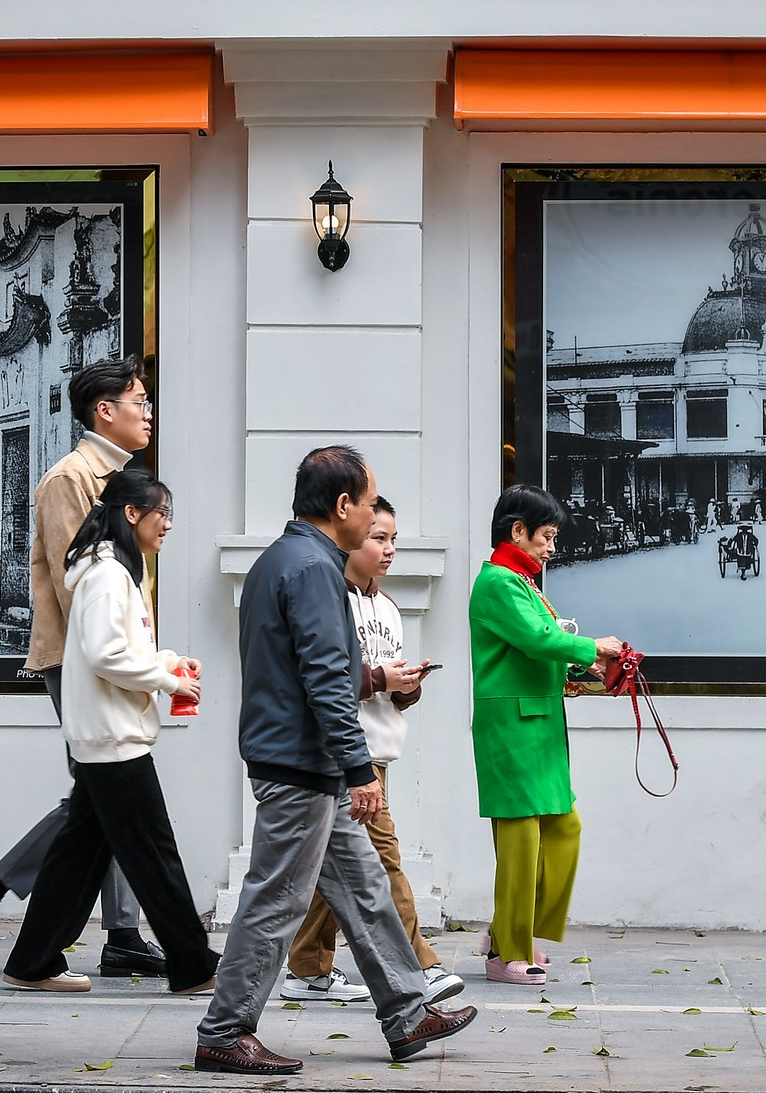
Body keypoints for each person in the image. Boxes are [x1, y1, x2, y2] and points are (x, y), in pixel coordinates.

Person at [194, 447, 477, 1076]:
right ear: (343, 506)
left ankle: (408, 1012)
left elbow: (325, 672)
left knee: (365, 887)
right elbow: (324, 679)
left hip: (301, 758)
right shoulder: (314, 569)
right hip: (302, 764)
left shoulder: (285, 560)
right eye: (372, 503)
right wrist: (358, 769)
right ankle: (225, 1031)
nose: (376, 514)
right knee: (275, 902)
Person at [0, 356, 166, 982]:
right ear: (105, 411)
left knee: (106, 797)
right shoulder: (70, 479)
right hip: (82, 658)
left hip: (111, 658)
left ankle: (119, 931)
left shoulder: (123, 476)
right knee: (106, 794)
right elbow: (85, 585)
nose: (148, 412)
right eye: (139, 401)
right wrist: (129, 662)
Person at [0, 468, 220, 995]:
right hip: (113, 737)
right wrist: (167, 681)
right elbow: (103, 654)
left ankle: (33, 960)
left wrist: (167, 660)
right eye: (162, 513)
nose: (167, 524)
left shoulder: (117, 570)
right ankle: (193, 964)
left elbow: (117, 648)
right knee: (153, 853)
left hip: (107, 733)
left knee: (78, 857)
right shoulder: (107, 575)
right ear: (131, 514)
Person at [278, 497, 460, 1006]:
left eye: (394, 540)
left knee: (335, 866)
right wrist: (379, 678)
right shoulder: (326, 595)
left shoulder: (386, 606)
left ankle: (306, 968)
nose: (389, 549)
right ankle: (421, 964)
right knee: (383, 859)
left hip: (377, 749)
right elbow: (320, 677)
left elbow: (389, 686)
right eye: (379, 537)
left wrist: (406, 685)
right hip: (344, 751)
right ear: (351, 533)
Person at [468, 484, 622, 986]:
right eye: (547, 537)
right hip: (512, 726)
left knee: (562, 828)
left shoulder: (521, 582)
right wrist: (591, 647)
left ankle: (509, 933)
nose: (552, 548)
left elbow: (536, 652)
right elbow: (539, 640)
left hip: (536, 722)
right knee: (521, 839)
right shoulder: (498, 581)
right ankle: (509, 949)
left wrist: (581, 674)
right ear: (518, 531)